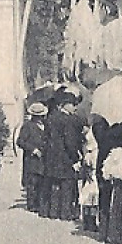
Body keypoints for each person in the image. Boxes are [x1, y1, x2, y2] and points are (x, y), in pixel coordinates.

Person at [40, 91, 85, 221]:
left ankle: (53, 211)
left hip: (51, 157)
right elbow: (70, 142)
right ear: (65, 105)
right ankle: (65, 213)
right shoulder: (69, 120)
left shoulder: (50, 118)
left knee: (54, 184)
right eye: (72, 104)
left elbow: (46, 139)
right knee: (67, 185)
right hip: (65, 157)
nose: (75, 107)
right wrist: (75, 158)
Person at [16, 102, 48, 212]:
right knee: (32, 182)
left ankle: (39, 203)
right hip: (32, 158)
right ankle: (32, 204)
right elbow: (20, 141)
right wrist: (33, 149)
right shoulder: (28, 126)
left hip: (43, 158)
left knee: (41, 181)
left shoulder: (45, 125)